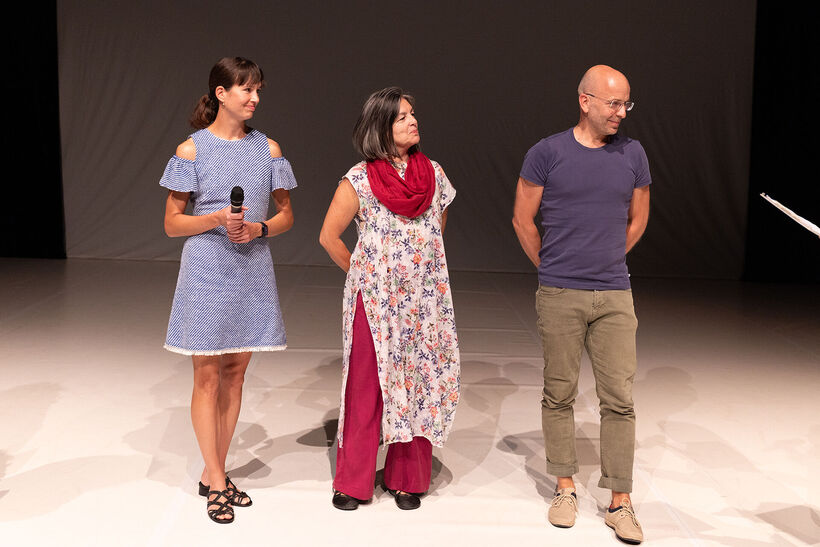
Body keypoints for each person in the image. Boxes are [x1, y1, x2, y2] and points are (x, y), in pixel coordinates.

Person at [512, 65, 650, 544]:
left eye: (626, 103)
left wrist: (607, 259)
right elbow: (523, 219)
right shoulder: (546, 153)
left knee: (620, 399)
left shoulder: (633, 153)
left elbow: (638, 218)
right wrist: (553, 267)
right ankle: (565, 487)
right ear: (585, 101)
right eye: (613, 103)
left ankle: (620, 501)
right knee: (559, 392)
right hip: (560, 293)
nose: (621, 112)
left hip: (614, 292)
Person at [159, 57, 297, 524]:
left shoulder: (269, 149)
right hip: (206, 268)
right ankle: (217, 481)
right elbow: (172, 223)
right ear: (221, 93)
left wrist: (258, 228)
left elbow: (286, 216)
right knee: (207, 377)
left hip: (251, 266)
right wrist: (217, 218)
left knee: (235, 374)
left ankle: (212, 472)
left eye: (258, 89)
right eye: (246, 89)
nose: (254, 98)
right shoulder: (191, 151)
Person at [319, 87, 460, 511]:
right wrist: (366, 276)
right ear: (380, 127)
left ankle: (407, 478)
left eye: (413, 114)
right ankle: (353, 481)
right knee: (366, 386)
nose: (413, 121)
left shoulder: (434, 175)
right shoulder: (359, 179)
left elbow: (435, 231)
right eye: (401, 117)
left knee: (418, 381)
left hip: (424, 303)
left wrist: (416, 276)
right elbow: (329, 237)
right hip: (375, 303)